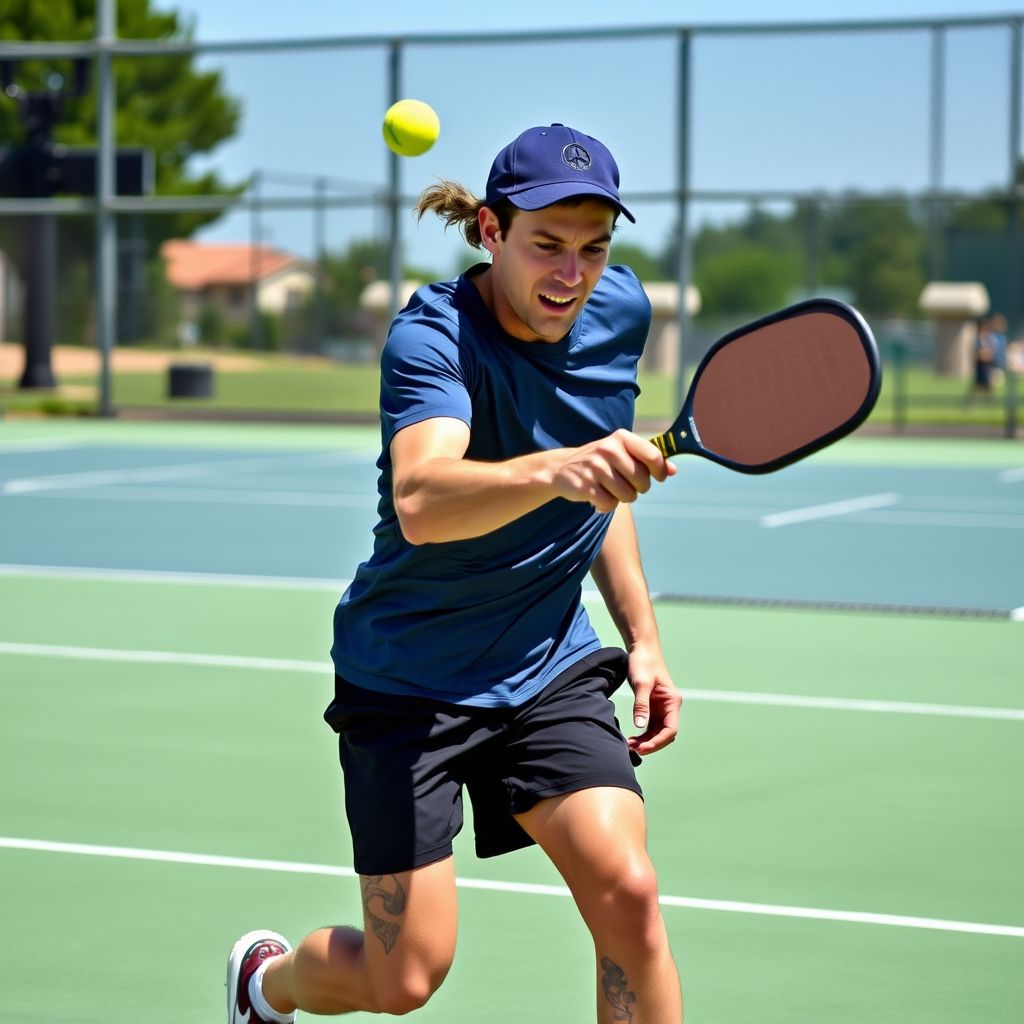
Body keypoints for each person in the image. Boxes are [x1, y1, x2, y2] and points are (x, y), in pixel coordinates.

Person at [227, 123, 684, 1023]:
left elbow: (606, 489)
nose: (572, 274)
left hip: (546, 663)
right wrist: (560, 467)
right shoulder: (432, 334)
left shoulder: (618, 313)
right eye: (547, 245)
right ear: (490, 230)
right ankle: (262, 982)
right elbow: (424, 501)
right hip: (410, 678)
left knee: (629, 896)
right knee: (404, 980)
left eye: (593, 249)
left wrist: (644, 639)